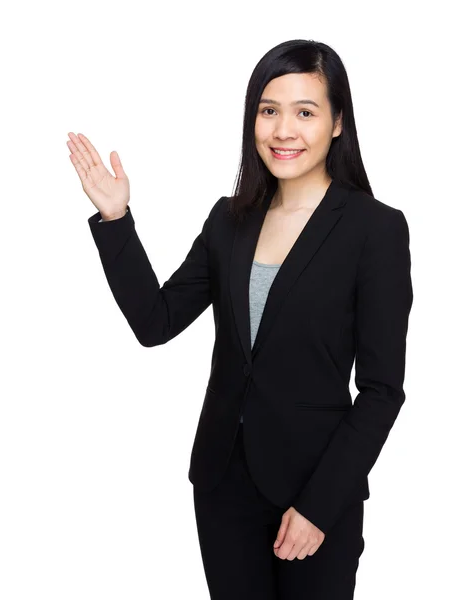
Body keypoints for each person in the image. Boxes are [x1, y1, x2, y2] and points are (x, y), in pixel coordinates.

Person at [67, 38, 413, 600]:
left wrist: (319, 506)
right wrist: (115, 219)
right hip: (223, 482)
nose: (283, 130)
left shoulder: (374, 230)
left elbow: (381, 391)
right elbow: (156, 322)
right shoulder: (229, 221)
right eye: (269, 110)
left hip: (316, 489)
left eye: (306, 112)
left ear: (338, 123)